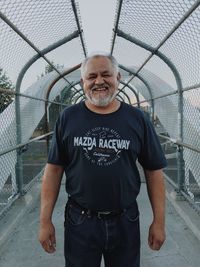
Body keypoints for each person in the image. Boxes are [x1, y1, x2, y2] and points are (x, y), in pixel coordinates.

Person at [39, 52, 167, 267]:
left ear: (118, 78)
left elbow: (154, 171)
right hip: (80, 220)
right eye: (91, 76)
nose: (99, 81)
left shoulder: (137, 119)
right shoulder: (68, 117)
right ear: (83, 82)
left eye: (106, 74)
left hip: (126, 219)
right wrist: (44, 221)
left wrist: (159, 222)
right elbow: (53, 170)